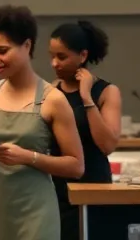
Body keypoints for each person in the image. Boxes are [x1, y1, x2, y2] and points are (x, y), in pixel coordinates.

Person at [0, 5, 85, 240]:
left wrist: (28, 157)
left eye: (2, 50)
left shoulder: (53, 99)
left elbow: (76, 166)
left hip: (35, 211)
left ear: (27, 46)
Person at [48, 20, 123, 240]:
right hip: (56, 190)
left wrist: (86, 98)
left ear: (82, 56)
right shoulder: (51, 91)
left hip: (93, 187)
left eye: (62, 57)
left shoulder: (106, 92)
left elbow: (107, 145)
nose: (54, 63)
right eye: (51, 56)